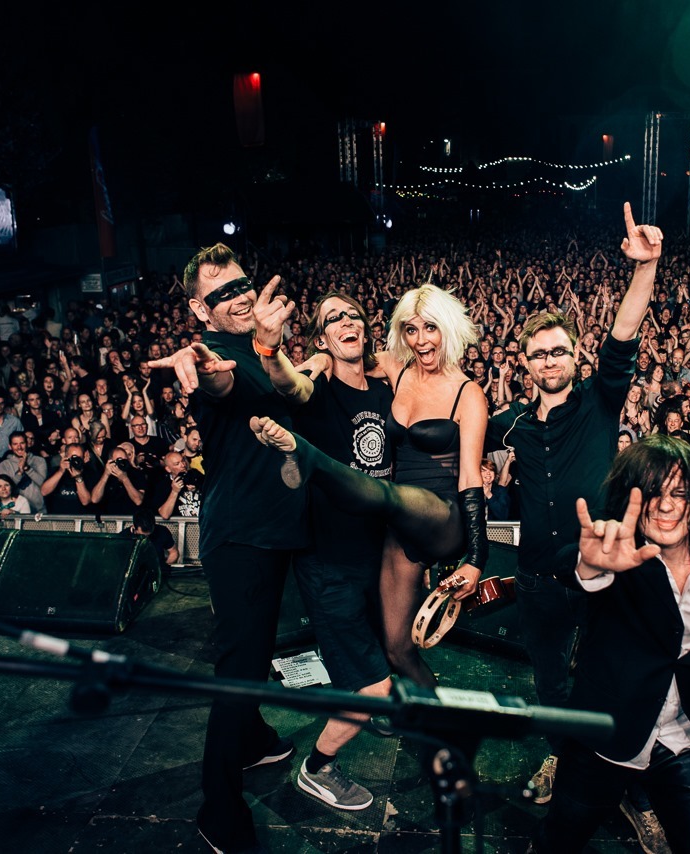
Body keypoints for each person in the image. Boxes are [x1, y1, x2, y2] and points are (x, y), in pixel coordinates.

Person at [484, 203, 668, 845]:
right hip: (538, 580)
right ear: (525, 364)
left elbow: (625, 331)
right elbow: (458, 443)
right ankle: (564, 758)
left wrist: (644, 268)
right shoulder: (509, 423)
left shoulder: (598, 400)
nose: (550, 361)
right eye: (538, 355)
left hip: (603, 573)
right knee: (551, 684)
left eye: (559, 351)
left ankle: (632, 790)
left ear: (574, 355)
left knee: (617, 681)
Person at [252, 279, 490, 691]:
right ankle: (439, 717)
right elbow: (344, 358)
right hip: (398, 528)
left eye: (430, 328)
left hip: (441, 515)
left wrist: (476, 558)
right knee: (397, 648)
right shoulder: (397, 369)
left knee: (386, 496)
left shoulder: (468, 393)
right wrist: (320, 359)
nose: (420, 340)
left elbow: (471, 477)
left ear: (448, 329)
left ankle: (306, 457)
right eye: (411, 329)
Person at [146, 244, 306, 854]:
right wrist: (199, 361)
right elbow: (217, 379)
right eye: (220, 294)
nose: (238, 297)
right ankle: (218, 806)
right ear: (199, 309)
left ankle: (254, 740)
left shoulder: (261, 347)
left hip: (269, 529)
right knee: (239, 667)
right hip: (240, 538)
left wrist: (272, 346)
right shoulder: (213, 355)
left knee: (254, 652)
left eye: (241, 285)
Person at [531, 434, 690, 854]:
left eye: (679, 493)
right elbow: (566, 565)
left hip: (681, 735)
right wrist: (588, 563)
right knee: (557, 843)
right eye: (651, 493)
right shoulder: (618, 551)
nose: (666, 506)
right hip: (604, 735)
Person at [252, 287, 394, 812]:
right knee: (372, 688)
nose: (346, 321)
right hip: (329, 562)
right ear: (321, 339)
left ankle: (371, 699)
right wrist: (270, 349)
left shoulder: (384, 388)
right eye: (333, 319)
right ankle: (318, 768)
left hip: (377, 557)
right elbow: (287, 382)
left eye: (353, 313)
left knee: (380, 659)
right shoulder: (316, 389)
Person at [0, 433, 47, 514]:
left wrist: (27, 469)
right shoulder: (4, 464)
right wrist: (20, 473)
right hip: (13, 511)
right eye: (15, 444)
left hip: (38, 511)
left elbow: (44, 485)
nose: (19, 447)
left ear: (27, 444)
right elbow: (4, 489)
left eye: (22, 443)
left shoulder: (39, 461)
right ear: (10, 446)